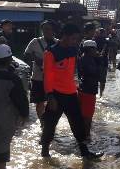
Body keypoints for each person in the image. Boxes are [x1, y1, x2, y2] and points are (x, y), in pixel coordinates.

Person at [41, 24, 102, 159]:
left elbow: (76, 71)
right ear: (65, 36)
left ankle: (85, 153)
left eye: (77, 39)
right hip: (55, 94)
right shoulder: (51, 52)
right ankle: (44, 150)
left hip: (71, 93)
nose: (75, 41)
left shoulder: (74, 50)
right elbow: (48, 76)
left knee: (78, 124)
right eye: (73, 39)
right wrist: (50, 96)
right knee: (50, 125)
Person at [24, 20, 58, 123]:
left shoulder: (58, 43)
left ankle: (49, 121)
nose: (47, 31)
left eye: (50, 29)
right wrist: (35, 59)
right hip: (38, 77)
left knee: (53, 102)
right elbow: (26, 55)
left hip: (54, 79)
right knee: (39, 102)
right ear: (42, 30)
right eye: (45, 29)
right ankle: (42, 123)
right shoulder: (35, 41)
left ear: (54, 30)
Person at [78, 40, 100, 139]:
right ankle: (86, 136)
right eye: (95, 49)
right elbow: (94, 73)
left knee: (83, 114)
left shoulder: (83, 58)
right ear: (90, 49)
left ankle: (83, 135)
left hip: (83, 89)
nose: (96, 51)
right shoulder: (88, 60)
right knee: (88, 116)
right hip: (89, 91)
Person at [93, 28, 109, 97]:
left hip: (94, 63)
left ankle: (95, 94)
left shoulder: (93, 40)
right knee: (102, 81)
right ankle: (101, 95)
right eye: (104, 33)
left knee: (95, 79)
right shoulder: (106, 41)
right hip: (103, 62)